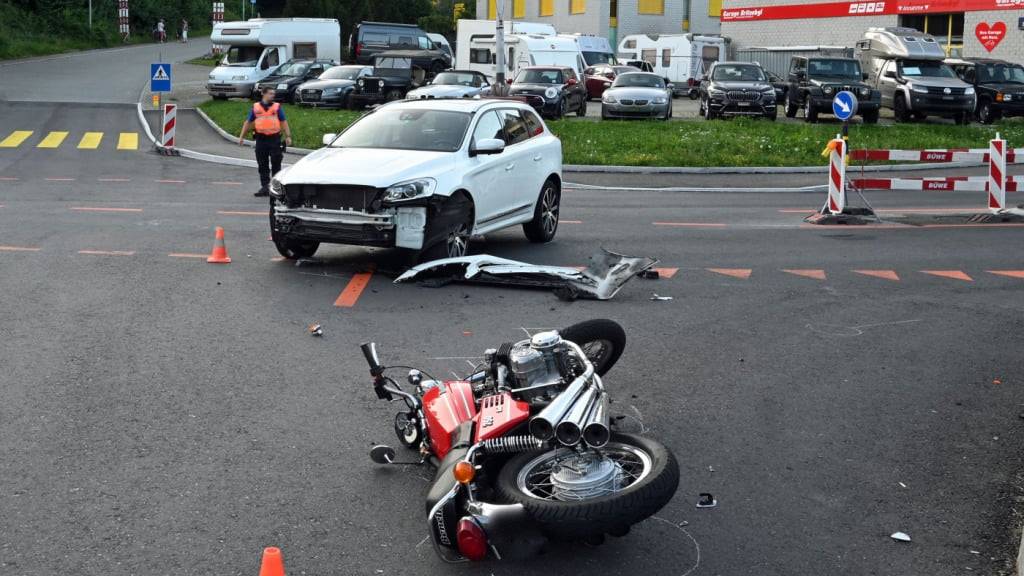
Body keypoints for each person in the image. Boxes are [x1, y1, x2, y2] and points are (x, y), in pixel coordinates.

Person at [238, 87, 292, 197]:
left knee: (276, 162)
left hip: (274, 139)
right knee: (262, 164)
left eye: (273, 94)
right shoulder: (256, 107)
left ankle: (276, 188)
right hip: (261, 139)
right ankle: (265, 188)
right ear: (263, 94)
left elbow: (283, 121)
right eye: (270, 93)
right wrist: (241, 137)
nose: (273, 95)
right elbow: (248, 122)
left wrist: (288, 136)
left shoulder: (276, 107)